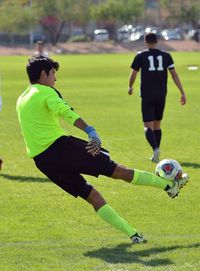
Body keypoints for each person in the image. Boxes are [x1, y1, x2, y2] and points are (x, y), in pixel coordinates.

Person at [16, 56, 189, 244]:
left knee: (91, 196)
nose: (55, 79)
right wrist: (90, 131)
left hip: (43, 161)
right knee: (116, 170)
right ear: (44, 74)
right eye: (53, 74)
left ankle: (134, 235)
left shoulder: (22, 98)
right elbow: (66, 113)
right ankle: (169, 186)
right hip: (62, 148)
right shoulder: (47, 92)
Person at [128, 33, 187, 163]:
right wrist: (182, 92)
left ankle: (155, 149)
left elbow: (133, 74)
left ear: (145, 41)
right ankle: (156, 151)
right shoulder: (166, 56)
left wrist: (130, 87)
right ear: (157, 41)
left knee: (147, 125)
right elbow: (174, 75)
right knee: (157, 125)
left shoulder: (141, 55)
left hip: (147, 95)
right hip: (161, 94)